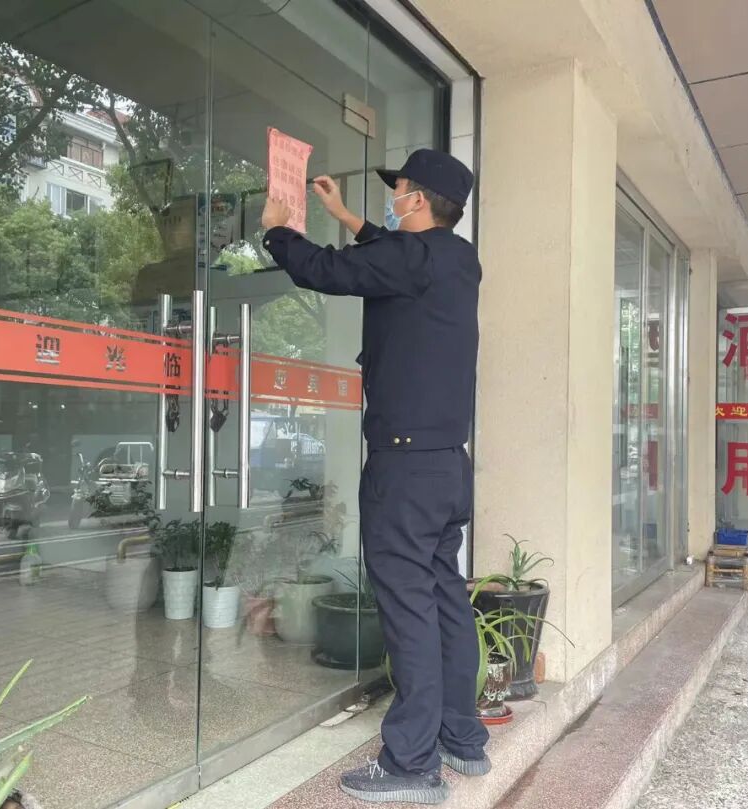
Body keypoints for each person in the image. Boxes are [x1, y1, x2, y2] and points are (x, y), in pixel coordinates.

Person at [260, 149, 489, 805]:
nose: (394, 197)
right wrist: (347, 216)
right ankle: (462, 739)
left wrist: (277, 230)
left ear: (418, 199)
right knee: (445, 597)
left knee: (409, 605)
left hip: (405, 467)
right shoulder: (458, 259)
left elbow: (325, 270)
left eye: (400, 189)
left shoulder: (411, 260)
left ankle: (412, 764)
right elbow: (393, 256)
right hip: (446, 467)